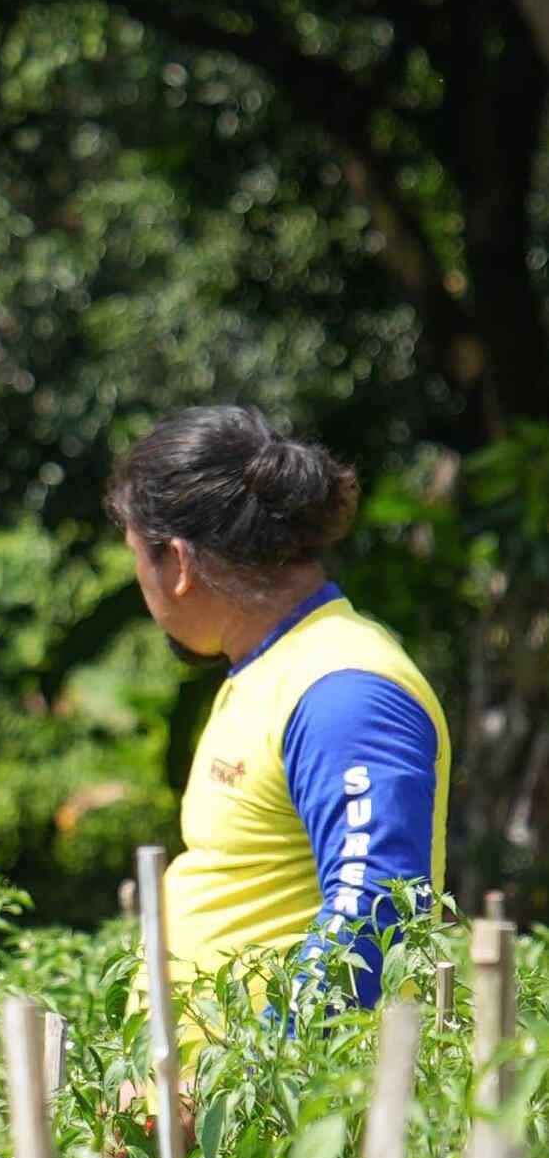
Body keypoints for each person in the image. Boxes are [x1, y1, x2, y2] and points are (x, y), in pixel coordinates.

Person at [113, 406, 449, 1015]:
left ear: (179, 563)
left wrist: (265, 1063)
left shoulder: (342, 692)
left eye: (138, 557)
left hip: (291, 1081)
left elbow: (375, 915)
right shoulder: (271, 669)